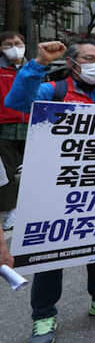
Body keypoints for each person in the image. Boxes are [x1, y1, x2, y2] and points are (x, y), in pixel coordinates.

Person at [5, 40, 95, 343]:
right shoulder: (51, 90)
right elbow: (16, 102)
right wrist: (38, 64)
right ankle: (43, 315)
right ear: (73, 62)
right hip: (54, 185)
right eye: (89, 58)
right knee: (50, 249)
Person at [0, 32, 28, 232]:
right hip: (4, 126)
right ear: (1, 48)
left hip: (33, 125)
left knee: (37, 170)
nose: (14, 47)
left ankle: (34, 206)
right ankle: (12, 210)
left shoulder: (34, 68)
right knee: (7, 172)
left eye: (18, 43)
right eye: (8, 44)